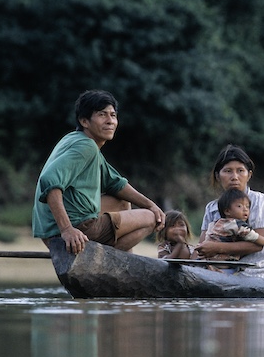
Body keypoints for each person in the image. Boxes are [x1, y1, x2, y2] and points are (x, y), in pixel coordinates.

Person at [32, 89, 165, 254]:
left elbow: (116, 184)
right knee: (150, 219)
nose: (110, 121)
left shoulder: (77, 140)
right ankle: (102, 259)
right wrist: (67, 229)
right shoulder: (86, 146)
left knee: (122, 203)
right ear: (84, 121)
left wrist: (151, 204)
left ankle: (118, 265)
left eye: (113, 115)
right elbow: (48, 179)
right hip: (71, 227)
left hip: (51, 228)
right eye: (102, 115)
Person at [196, 144, 264, 279]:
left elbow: (257, 245)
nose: (234, 177)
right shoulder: (211, 208)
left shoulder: (260, 201)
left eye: (240, 171)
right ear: (218, 176)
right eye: (228, 171)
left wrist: (216, 248)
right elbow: (203, 246)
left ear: (249, 175)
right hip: (219, 274)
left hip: (258, 274)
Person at [202, 188, 264, 261]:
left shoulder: (218, 222)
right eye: (239, 206)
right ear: (227, 211)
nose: (245, 209)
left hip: (210, 259)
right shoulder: (235, 224)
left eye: (247, 206)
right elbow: (253, 237)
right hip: (221, 260)